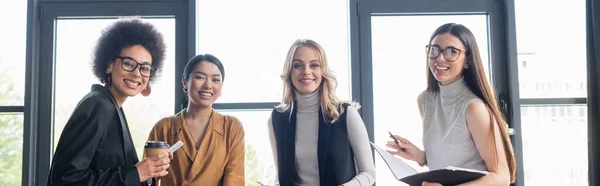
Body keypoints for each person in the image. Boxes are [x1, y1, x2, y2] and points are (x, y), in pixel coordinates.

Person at [386, 23, 516, 186]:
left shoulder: (473, 108)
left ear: (467, 61)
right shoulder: (425, 101)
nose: (440, 58)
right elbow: (454, 165)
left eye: (451, 51)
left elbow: (501, 177)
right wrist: (421, 156)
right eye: (434, 49)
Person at [48, 18, 172, 185]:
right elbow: (65, 179)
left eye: (145, 68)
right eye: (128, 63)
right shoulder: (97, 106)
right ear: (109, 65)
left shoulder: (114, 107)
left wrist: (149, 171)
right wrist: (137, 172)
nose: (137, 73)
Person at [268, 39, 376, 186]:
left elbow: (369, 173)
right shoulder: (277, 119)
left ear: (322, 71)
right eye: (298, 65)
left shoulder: (346, 114)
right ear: (289, 71)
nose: (306, 71)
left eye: (314, 65)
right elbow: (280, 176)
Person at [145, 54, 245, 186]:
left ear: (221, 88)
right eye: (200, 77)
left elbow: (235, 180)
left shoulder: (232, 127)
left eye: (215, 80)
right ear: (185, 82)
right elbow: (148, 179)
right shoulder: (163, 128)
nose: (208, 85)